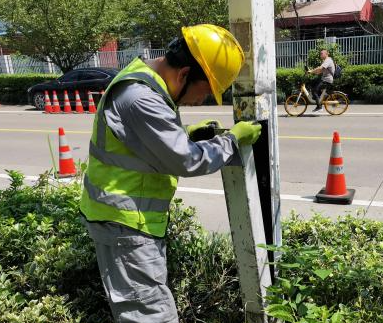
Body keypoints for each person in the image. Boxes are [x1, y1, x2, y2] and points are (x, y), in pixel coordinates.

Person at [79, 24, 262, 323]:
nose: (199, 102)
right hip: (126, 228)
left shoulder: (146, 80)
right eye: (204, 94)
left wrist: (187, 132)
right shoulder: (141, 98)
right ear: (185, 75)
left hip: (126, 223)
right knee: (152, 317)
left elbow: (140, 143)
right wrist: (231, 140)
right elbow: (186, 161)